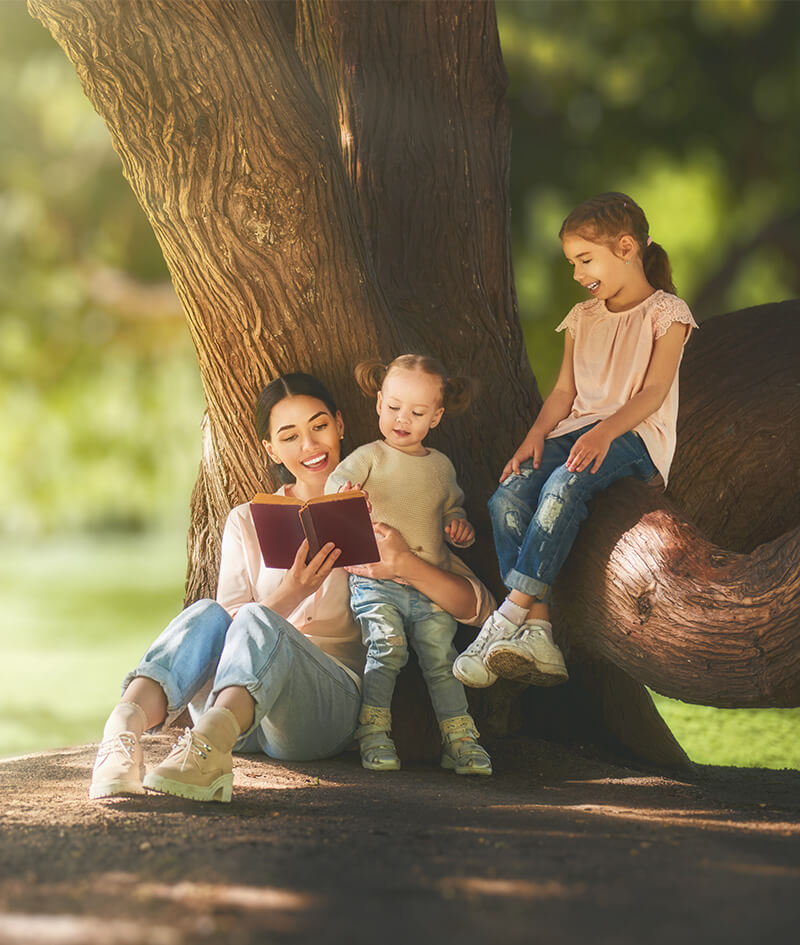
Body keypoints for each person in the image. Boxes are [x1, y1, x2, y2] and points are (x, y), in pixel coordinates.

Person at [89, 372, 495, 803]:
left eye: (319, 427)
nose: (309, 446)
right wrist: (294, 590)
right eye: (289, 436)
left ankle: (206, 751)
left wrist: (404, 563)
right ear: (271, 449)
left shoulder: (385, 517)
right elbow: (227, 630)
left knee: (258, 620)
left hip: (317, 712)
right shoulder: (246, 520)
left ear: (340, 425)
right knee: (209, 612)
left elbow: (481, 608)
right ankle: (120, 737)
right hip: (231, 716)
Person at [454, 192, 698, 690]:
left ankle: (505, 618)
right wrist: (534, 436)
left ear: (626, 247)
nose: (576, 272)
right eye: (571, 262)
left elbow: (653, 392)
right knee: (507, 496)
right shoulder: (582, 318)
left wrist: (607, 431)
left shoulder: (668, 313)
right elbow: (564, 392)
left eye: (585, 259)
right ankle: (540, 631)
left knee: (563, 486)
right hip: (577, 432)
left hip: (634, 437)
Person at [326, 355, 493, 776]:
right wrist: (344, 495)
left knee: (442, 659)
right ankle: (373, 733)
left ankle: (461, 740)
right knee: (387, 649)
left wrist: (459, 527)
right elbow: (333, 490)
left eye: (417, 413)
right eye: (395, 407)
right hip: (376, 582)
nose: (403, 419)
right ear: (379, 403)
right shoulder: (370, 457)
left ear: (435, 417)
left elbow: (452, 510)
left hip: (428, 583)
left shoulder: (440, 467)